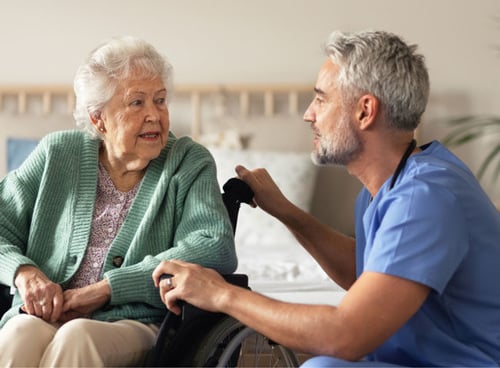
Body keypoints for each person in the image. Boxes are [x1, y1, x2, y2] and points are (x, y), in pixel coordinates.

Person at [153, 30, 500, 366]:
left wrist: (220, 294)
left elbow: (346, 335)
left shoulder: (424, 198)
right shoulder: (388, 187)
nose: (309, 114)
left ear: (365, 111)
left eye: (321, 99)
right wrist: (286, 211)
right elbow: (368, 276)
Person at [0, 36, 236, 367]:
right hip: (45, 314)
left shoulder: (188, 162)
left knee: (77, 337)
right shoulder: (57, 153)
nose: (154, 115)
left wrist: (110, 288)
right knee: (17, 335)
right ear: (98, 118)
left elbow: (214, 246)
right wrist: (24, 273)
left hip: (138, 322)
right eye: (137, 103)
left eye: (161, 100)